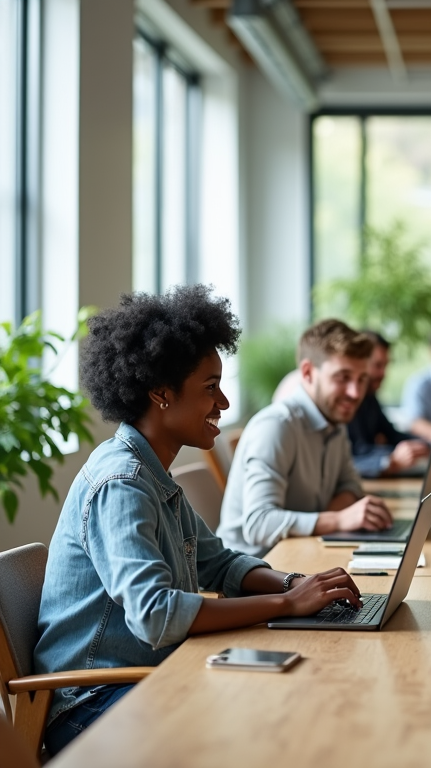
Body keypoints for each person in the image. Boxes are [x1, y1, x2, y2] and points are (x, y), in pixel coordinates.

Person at [34, 286, 362, 756]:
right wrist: (288, 604)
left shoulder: (152, 473)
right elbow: (158, 615)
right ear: (161, 394)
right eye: (210, 388)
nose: (224, 404)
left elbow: (222, 565)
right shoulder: (122, 483)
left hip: (150, 673)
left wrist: (296, 583)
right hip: (93, 702)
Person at [217, 320, 394, 556]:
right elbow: (258, 525)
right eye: (343, 377)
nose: (355, 393)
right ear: (308, 372)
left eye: (362, 379)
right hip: (252, 569)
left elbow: (351, 486)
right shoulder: (277, 426)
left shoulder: (335, 421)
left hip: (302, 554)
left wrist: (329, 519)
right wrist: (338, 520)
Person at [348, 330, 430, 478]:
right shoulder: (347, 403)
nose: (383, 373)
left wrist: (425, 445)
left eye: (385, 365)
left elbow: (392, 434)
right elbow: (355, 454)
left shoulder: (370, 399)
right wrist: (389, 460)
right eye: (378, 365)